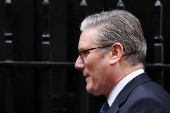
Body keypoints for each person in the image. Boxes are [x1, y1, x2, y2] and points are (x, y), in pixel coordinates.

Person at [75, 10, 170, 113]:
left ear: (115, 53)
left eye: (84, 53)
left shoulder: (146, 104)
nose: (78, 64)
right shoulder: (135, 99)